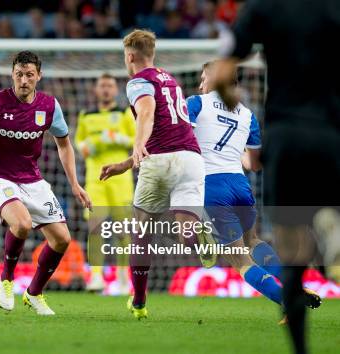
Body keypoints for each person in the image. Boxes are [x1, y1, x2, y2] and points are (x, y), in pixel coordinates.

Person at [214, 1, 340, 353]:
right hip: (331, 133)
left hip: (285, 136)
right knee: (322, 219)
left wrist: (230, 96)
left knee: (291, 256)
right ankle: (329, 229)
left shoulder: (262, 8)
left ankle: (301, 349)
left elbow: (223, 73)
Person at [0, 51, 91, 316]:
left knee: (62, 240)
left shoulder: (49, 106)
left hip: (33, 179)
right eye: (19, 74)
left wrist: (75, 184)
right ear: (12, 75)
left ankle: (34, 293)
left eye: (30, 75)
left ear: (39, 76)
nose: (24, 80)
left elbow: (64, 145)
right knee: (21, 223)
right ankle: (6, 280)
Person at [188, 61, 321, 320]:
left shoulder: (195, 103)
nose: (200, 84)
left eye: (204, 79)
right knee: (253, 241)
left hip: (212, 186)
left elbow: (185, 141)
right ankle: (293, 285)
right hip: (240, 185)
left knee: (239, 259)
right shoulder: (246, 114)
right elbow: (254, 164)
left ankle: (287, 299)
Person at [100, 29, 212, 319]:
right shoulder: (170, 79)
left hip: (160, 159)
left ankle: (138, 300)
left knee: (141, 232)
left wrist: (137, 143)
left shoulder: (138, 81)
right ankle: (197, 234)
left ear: (130, 56)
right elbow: (167, 124)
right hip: (191, 158)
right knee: (185, 226)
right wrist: (126, 163)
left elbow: (147, 113)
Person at [75, 73, 135, 294]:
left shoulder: (124, 113)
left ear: (116, 90)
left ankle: (122, 277)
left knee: (123, 231)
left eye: (110, 85)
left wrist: (120, 139)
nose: (106, 89)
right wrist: (86, 146)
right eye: (102, 86)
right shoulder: (86, 116)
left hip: (121, 181)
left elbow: (137, 141)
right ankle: (96, 276)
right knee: (95, 227)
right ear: (96, 90)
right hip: (95, 179)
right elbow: (79, 144)